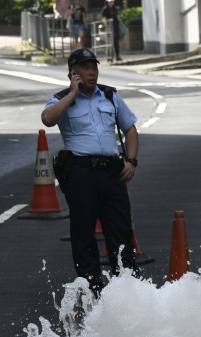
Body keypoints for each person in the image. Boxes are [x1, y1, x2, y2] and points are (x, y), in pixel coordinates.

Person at [40, 48, 140, 296]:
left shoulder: (109, 96)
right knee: (83, 229)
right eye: (85, 68)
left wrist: (132, 160)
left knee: (120, 227)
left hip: (111, 172)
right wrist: (72, 94)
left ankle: (126, 283)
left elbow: (130, 128)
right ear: (73, 72)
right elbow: (47, 119)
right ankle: (91, 283)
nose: (92, 72)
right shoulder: (61, 98)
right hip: (80, 173)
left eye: (94, 67)